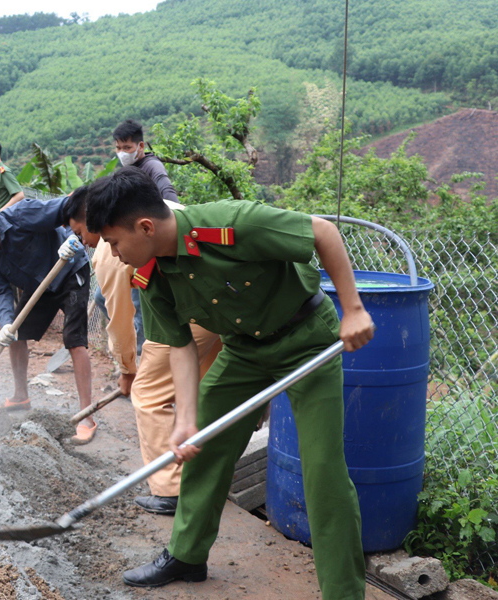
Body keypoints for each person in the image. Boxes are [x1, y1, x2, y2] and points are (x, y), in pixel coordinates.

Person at [86, 167, 374, 599]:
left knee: (323, 473)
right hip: (242, 351)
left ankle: (343, 593)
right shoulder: (150, 274)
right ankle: (187, 555)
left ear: (145, 227)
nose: (113, 251)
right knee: (204, 441)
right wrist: (185, 420)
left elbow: (322, 232)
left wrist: (352, 309)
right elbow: (180, 346)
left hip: (305, 341)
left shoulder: (229, 224)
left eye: (113, 241)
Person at [64, 186, 222, 513]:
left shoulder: (111, 250)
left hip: (190, 313)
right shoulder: (149, 209)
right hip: (221, 302)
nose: (82, 242)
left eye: (80, 232)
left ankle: (171, 490)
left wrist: (128, 372)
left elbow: (120, 319)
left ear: (95, 220)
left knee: (149, 392)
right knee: (207, 386)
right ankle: (209, 468)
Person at [0, 196, 96, 443]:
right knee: (15, 333)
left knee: (74, 339)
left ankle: (86, 415)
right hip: (40, 284)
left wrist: (75, 235)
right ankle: (21, 395)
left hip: (69, 270)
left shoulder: (23, 214)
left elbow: (70, 205)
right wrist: (5, 322)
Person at [113, 119, 178, 202]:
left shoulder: (152, 166)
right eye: (118, 148)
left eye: (127, 148)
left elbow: (167, 191)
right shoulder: (124, 171)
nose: (122, 153)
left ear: (141, 146)